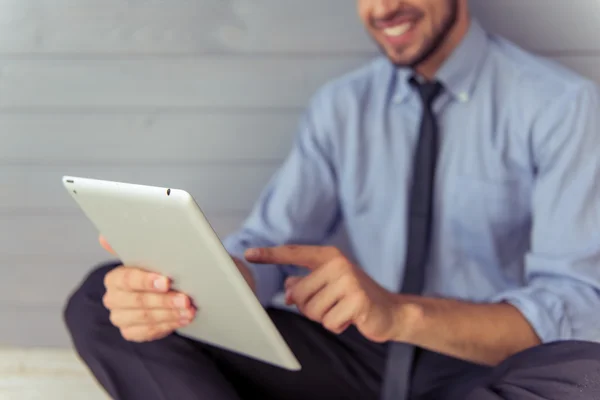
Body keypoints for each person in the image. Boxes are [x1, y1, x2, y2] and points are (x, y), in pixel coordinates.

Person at [63, 0, 600, 399]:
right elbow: (266, 248)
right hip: (355, 360)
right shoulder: (341, 107)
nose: (385, 8)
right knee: (103, 300)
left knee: (587, 372)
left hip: (471, 369)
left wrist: (400, 313)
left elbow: (575, 307)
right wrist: (199, 282)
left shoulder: (561, 108)